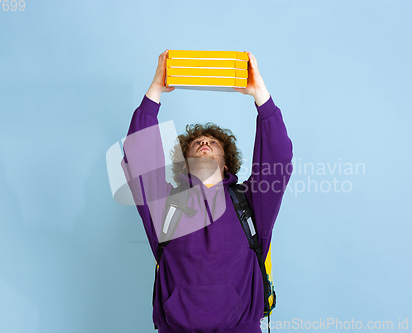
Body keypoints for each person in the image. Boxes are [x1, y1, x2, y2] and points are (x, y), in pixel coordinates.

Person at [122, 50, 293, 333]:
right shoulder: (163, 205)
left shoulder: (250, 204)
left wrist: (260, 95)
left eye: (212, 143)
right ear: (185, 162)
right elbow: (137, 159)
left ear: (226, 163)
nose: (204, 142)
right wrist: (155, 89)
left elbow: (278, 161)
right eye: (197, 143)